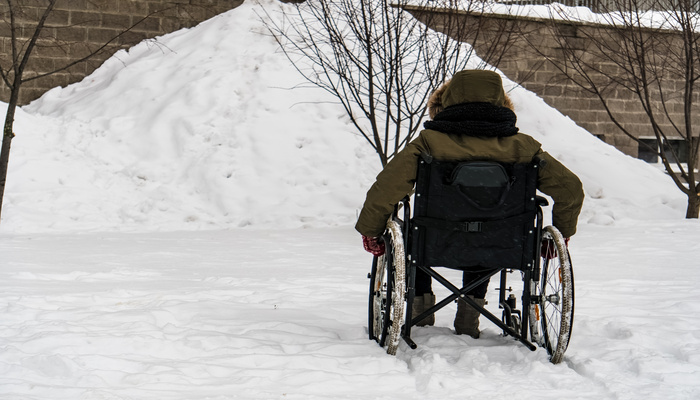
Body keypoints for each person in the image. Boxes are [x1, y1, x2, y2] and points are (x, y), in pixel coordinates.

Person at [356, 69, 584, 339]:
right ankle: (469, 317)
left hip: (435, 240)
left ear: (446, 102)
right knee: (490, 235)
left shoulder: (428, 144)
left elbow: (386, 189)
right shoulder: (524, 147)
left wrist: (371, 230)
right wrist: (562, 232)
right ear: (502, 104)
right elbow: (570, 189)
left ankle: (420, 309)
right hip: (502, 242)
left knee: (412, 235)